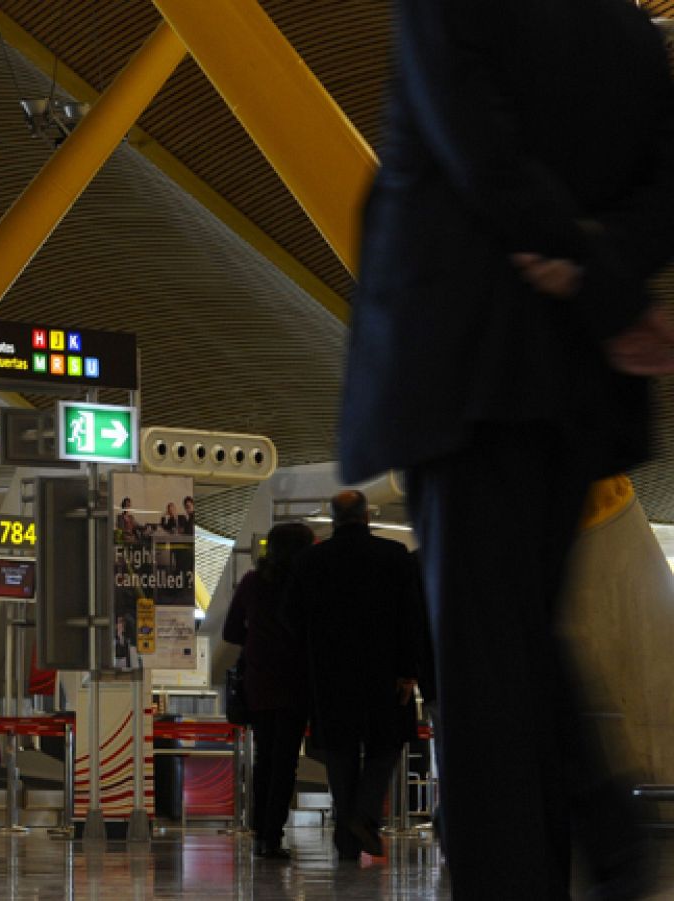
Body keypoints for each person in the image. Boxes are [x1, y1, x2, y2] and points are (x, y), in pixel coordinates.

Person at [339, 1, 674, 894]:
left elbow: (479, 156)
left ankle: (545, 859)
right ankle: (605, 831)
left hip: (462, 369)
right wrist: (612, 292)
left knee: (484, 667)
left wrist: (569, 262)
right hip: (575, 383)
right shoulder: (632, 35)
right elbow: (665, 188)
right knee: (518, 630)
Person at [286, 492, 420, 862]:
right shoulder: (394, 557)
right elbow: (411, 617)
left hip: (330, 678)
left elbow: (291, 620)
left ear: (333, 518)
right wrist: (409, 671)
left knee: (341, 755)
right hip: (385, 674)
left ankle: (347, 840)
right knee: (387, 746)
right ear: (367, 516)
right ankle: (364, 817)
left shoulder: (309, 561)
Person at [222, 521, 314, 860]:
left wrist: (258, 640)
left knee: (264, 759)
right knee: (285, 761)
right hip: (297, 682)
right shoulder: (306, 584)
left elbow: (231, 632)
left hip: (259, 682)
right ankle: (272, 835)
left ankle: (261, 831)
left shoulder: (252, 582)